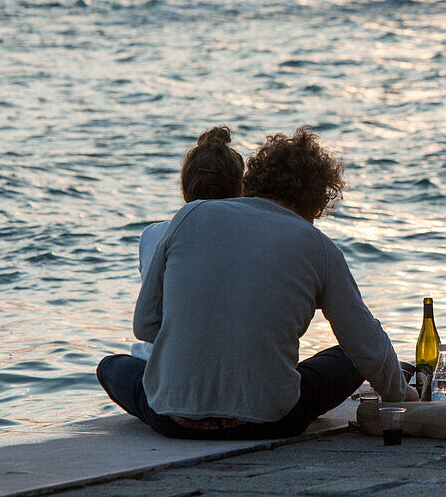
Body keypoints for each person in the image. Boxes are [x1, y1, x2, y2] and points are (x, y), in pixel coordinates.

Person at [97, 126, 418, 439]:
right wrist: (403, 396)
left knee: (111, 366)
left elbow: (146, 327)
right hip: (269, 420)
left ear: (250, 183)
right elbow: (367, 344)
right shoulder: (318, 245)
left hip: (173, 418)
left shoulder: (189, 216)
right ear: (316, 201)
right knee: (350, 356)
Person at [130, 126, 244, 360]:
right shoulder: (250, 239)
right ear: (240, 189)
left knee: (111, 366)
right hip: (230, 362)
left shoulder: (153, 234)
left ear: (184, 189)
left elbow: (146, 325)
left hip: (163, 369)